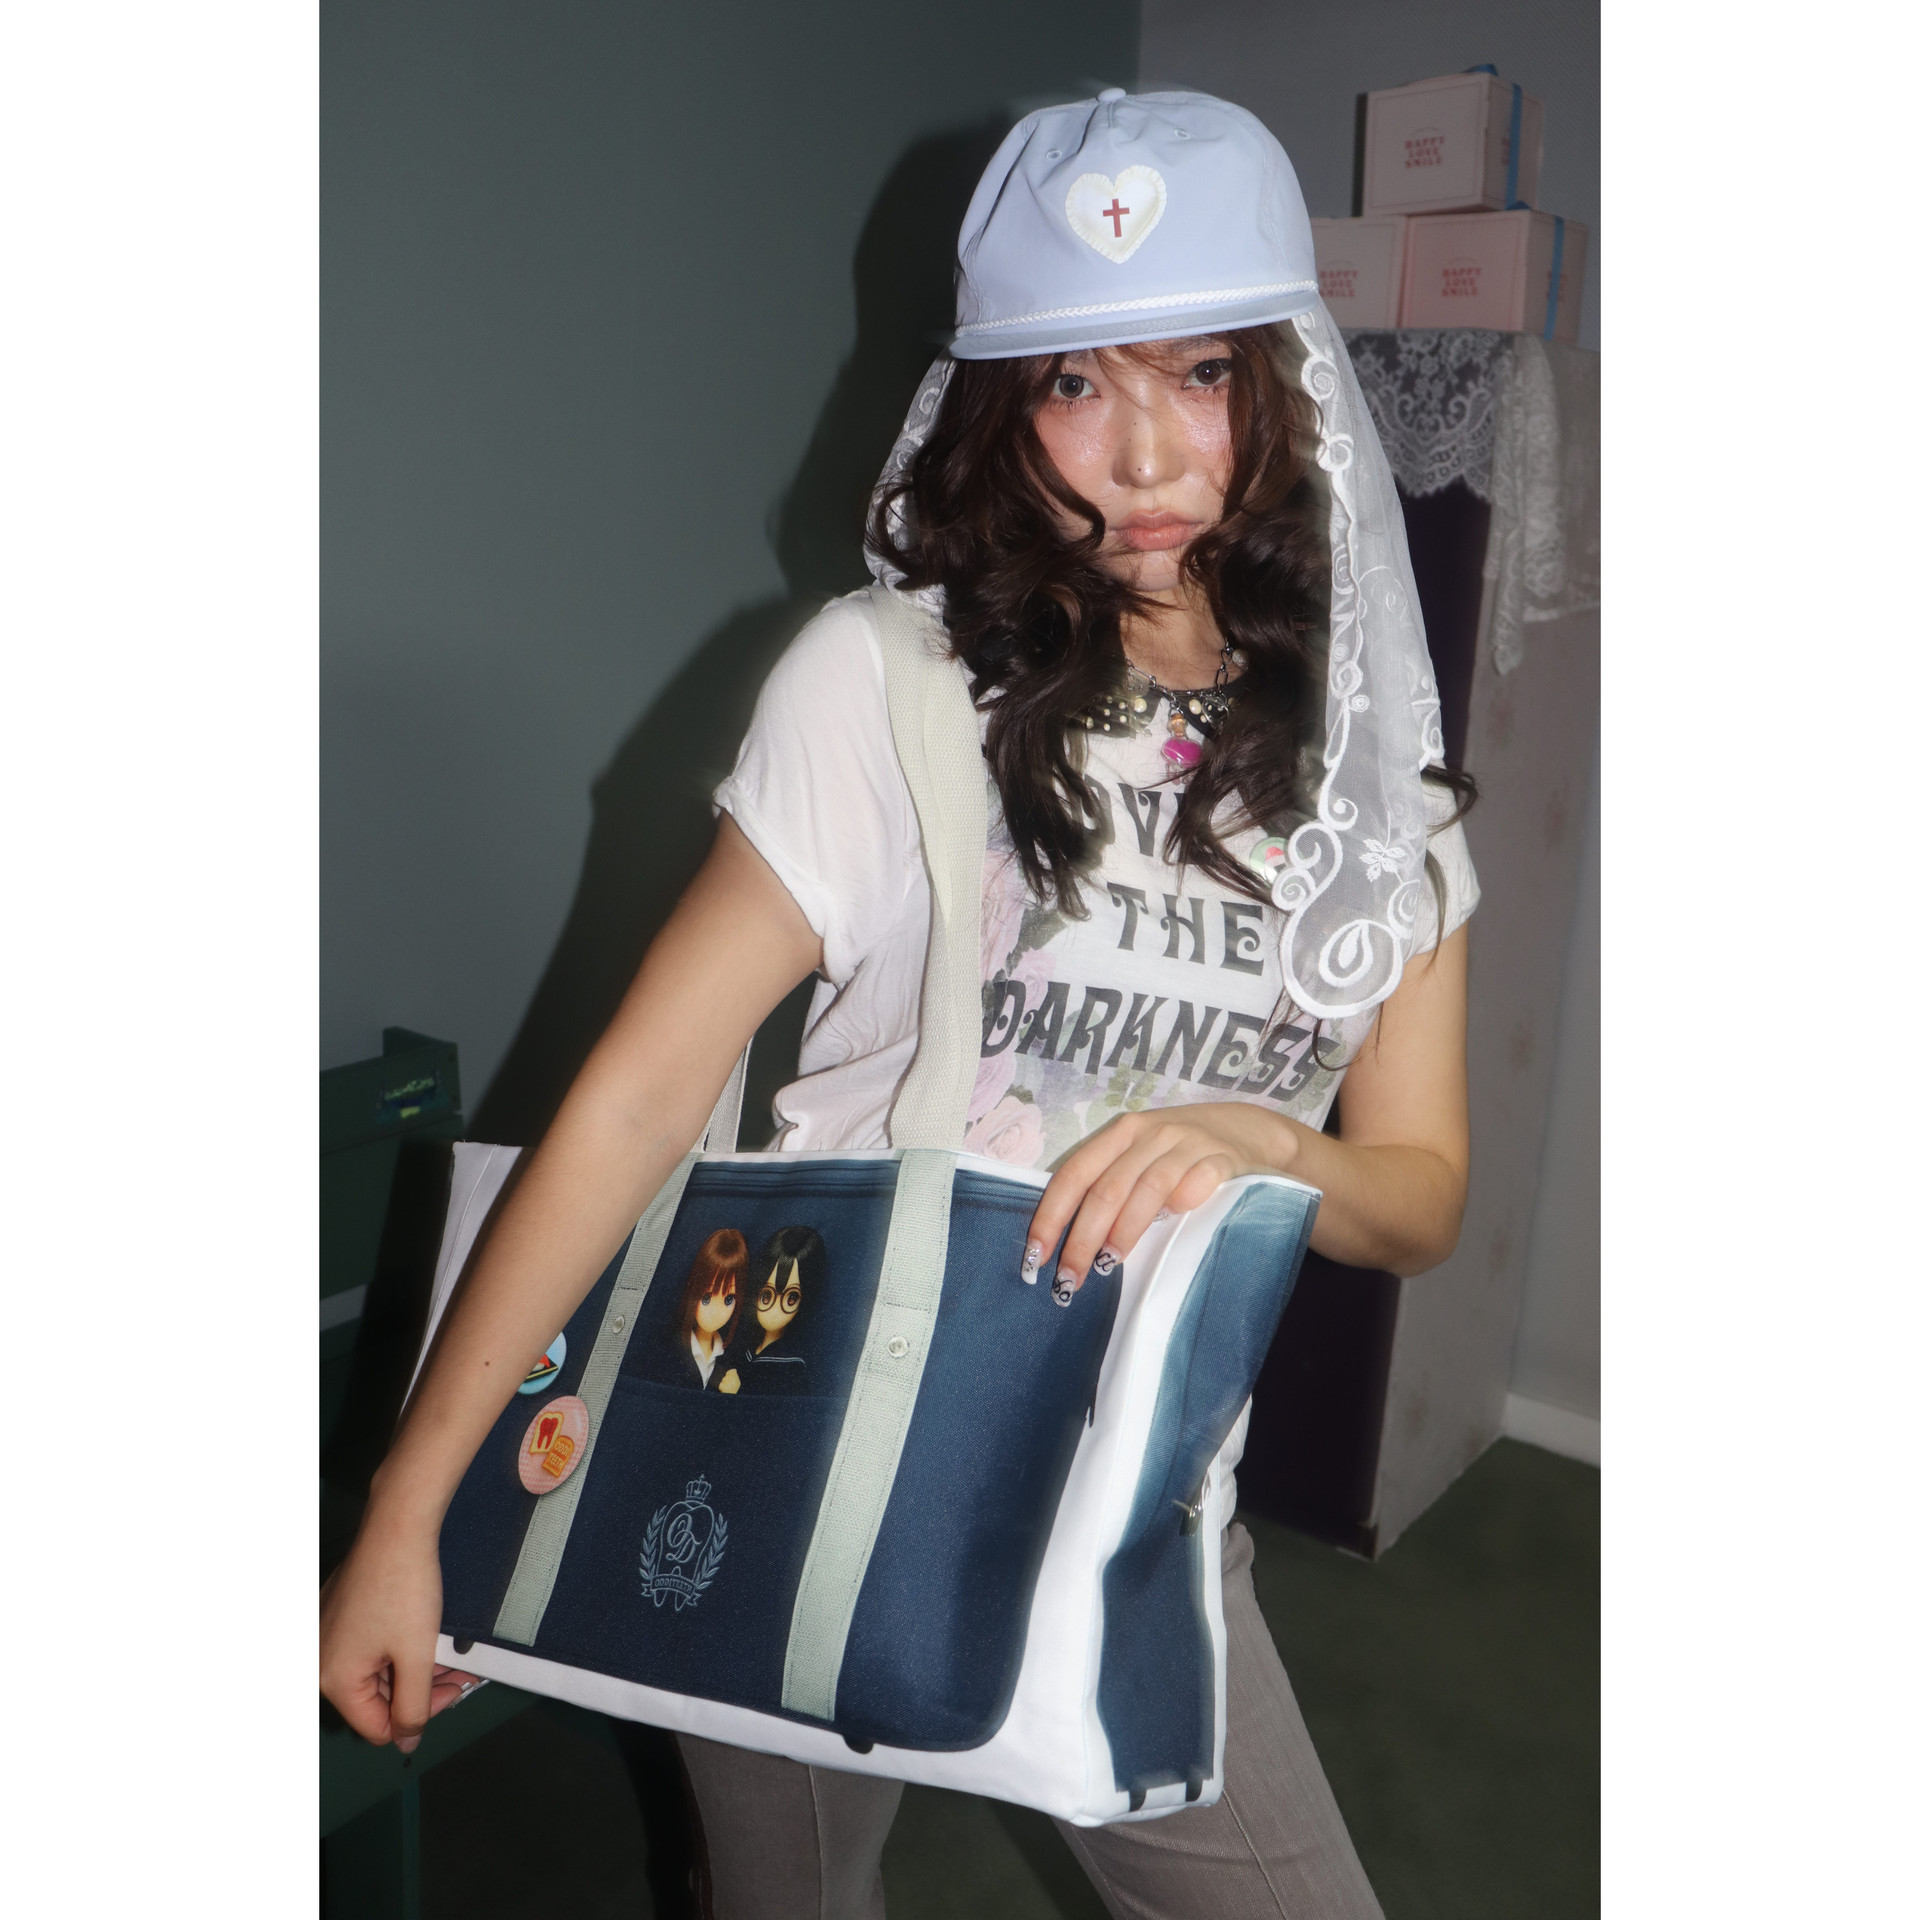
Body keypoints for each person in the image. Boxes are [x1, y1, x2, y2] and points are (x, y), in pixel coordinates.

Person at [322, 89, 1475, 1919]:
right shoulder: (885, 679)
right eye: (1075, 383)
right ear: (1003, 407)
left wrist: (1266, 1146)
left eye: (1200, 373)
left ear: (1288, 383)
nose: (1145, 454)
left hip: (1144, 1489)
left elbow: (1416, 1194)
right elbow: (636, 1097)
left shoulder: (1372, 770)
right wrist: (409, 1509)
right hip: (789, 1432)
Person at [715, 1225, 824, 1395]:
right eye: (766, 1296)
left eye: (791, 1298)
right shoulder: (747, 1347)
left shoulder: (790, 1364)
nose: (774, 1310)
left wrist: (739, 1392)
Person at [637, 1226, 749, 1391]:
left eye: (728, 1299)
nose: (715, 1312)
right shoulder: (668, 1351)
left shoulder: (730, 1360)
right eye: (706, 1298)